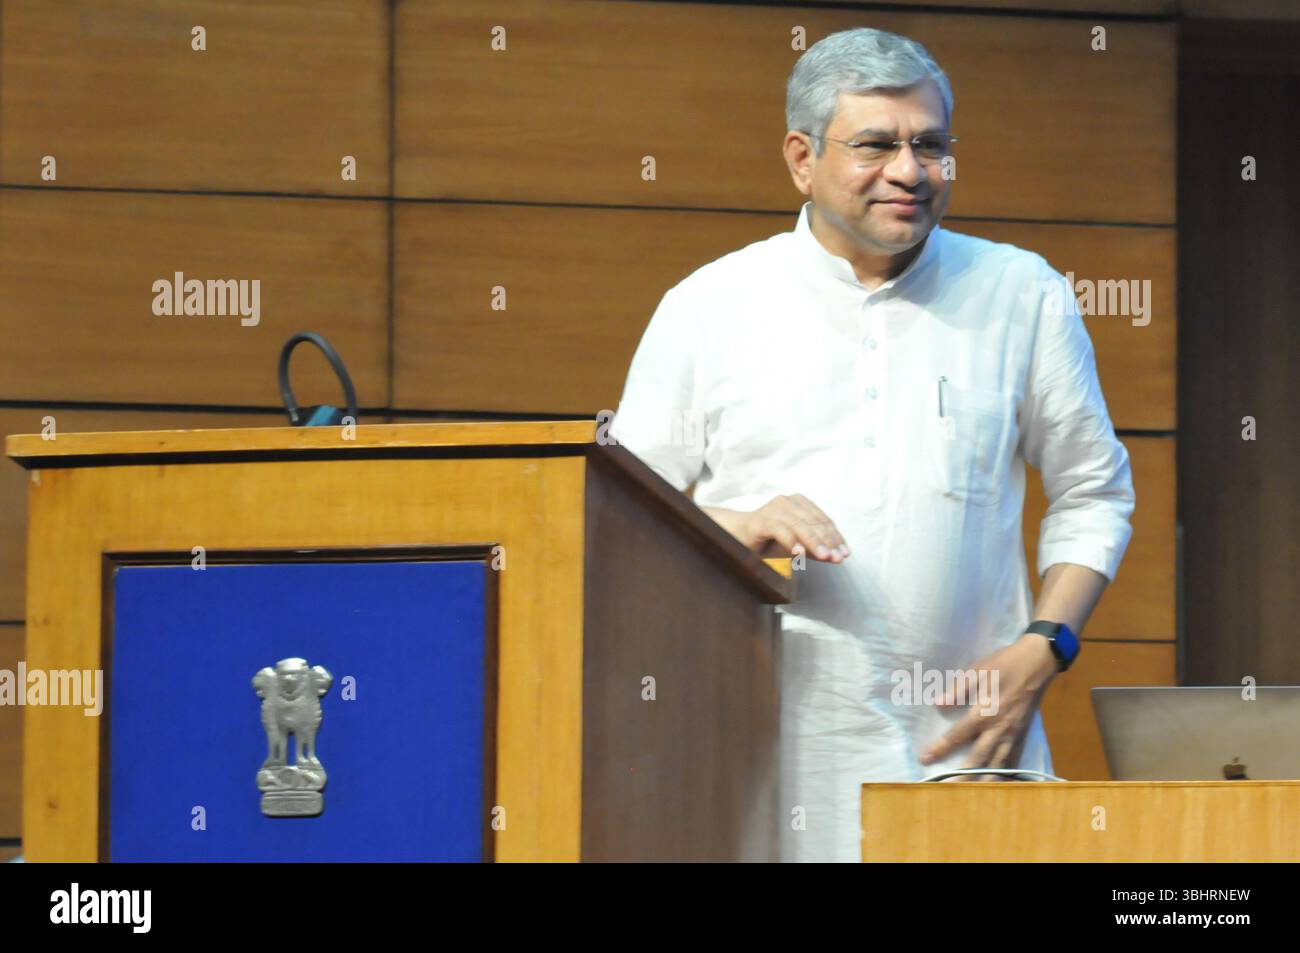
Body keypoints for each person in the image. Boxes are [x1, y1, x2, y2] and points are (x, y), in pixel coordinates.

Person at [608, 27, 1135, 862]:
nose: (910, 171)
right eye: (876, 145)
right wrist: (734, 522)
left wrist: (1048, 643)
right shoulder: (708, 306)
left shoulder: (1019, 292)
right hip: (759, 773)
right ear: (800, 157)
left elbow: (1093, 492)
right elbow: (620, 519)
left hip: (970, 762)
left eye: (931, 145)